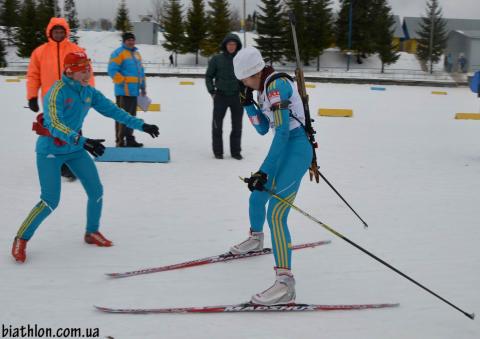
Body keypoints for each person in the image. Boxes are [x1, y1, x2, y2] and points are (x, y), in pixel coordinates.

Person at [11, 52, 160, 263]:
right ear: (70, 71)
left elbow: (114, 111)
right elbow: (54, 124)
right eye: (83, 70)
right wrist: (84, 141)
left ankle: (91, 232)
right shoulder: (57, 92)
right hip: (50, 151)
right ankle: (21, 238)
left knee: (96, 191)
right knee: (50, 201)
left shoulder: (88, 92)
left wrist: (142, 125)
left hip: (75, 148)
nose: (87, 72)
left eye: (88, 68)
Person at [229, 47, 313, 306]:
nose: (244, 84)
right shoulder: (263, 90)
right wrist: (248, 106)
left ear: (254, 72)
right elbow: (265, 130)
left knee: (276, 213)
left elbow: (284, 133)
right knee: (257, 196)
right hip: (282, 148)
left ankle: (285, 284)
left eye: (244, 79)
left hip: (296, 149)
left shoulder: (276, 86)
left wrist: (264, 170)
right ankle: (256, 239)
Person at [27, 17, 95, 181]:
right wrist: (32, 96)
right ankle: (58, 163)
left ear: (66, 33)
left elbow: (87, 72)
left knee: (74, 128)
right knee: (53, 131)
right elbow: (33, 76)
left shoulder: (76, 51)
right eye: (55, 32)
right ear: (50, 33)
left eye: (61, 32)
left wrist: (89, 94)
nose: (58, 34)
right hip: (51, 100)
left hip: (74, 98)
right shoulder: (40, 52)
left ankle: (73, 163)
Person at [205, 33, 244, 160]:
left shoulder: (242, 60)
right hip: (220, 96)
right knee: (217, 125)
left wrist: (245, 93)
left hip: (237, 97)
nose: (231, 46)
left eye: (234, 44)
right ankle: (218, 152)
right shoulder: (217, 59)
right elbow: (209, 76)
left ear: (237, 46)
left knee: (237, 126)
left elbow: (247, 77)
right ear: (225, 45)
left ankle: (236, 152)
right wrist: (212, 91)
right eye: (229, 44)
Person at [108, 32, 146, 147]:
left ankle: (130, 139)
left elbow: (141, 72)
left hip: (134, 92)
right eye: (128, 40)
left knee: (131, 117)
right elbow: (112, 70)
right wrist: (122, 82)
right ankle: (120, 140)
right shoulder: (118, 53)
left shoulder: (136, 54)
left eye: (132, 39)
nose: (131, 42)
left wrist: (143, 86)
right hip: (123, 92)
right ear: (124, 41)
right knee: (121, 116)